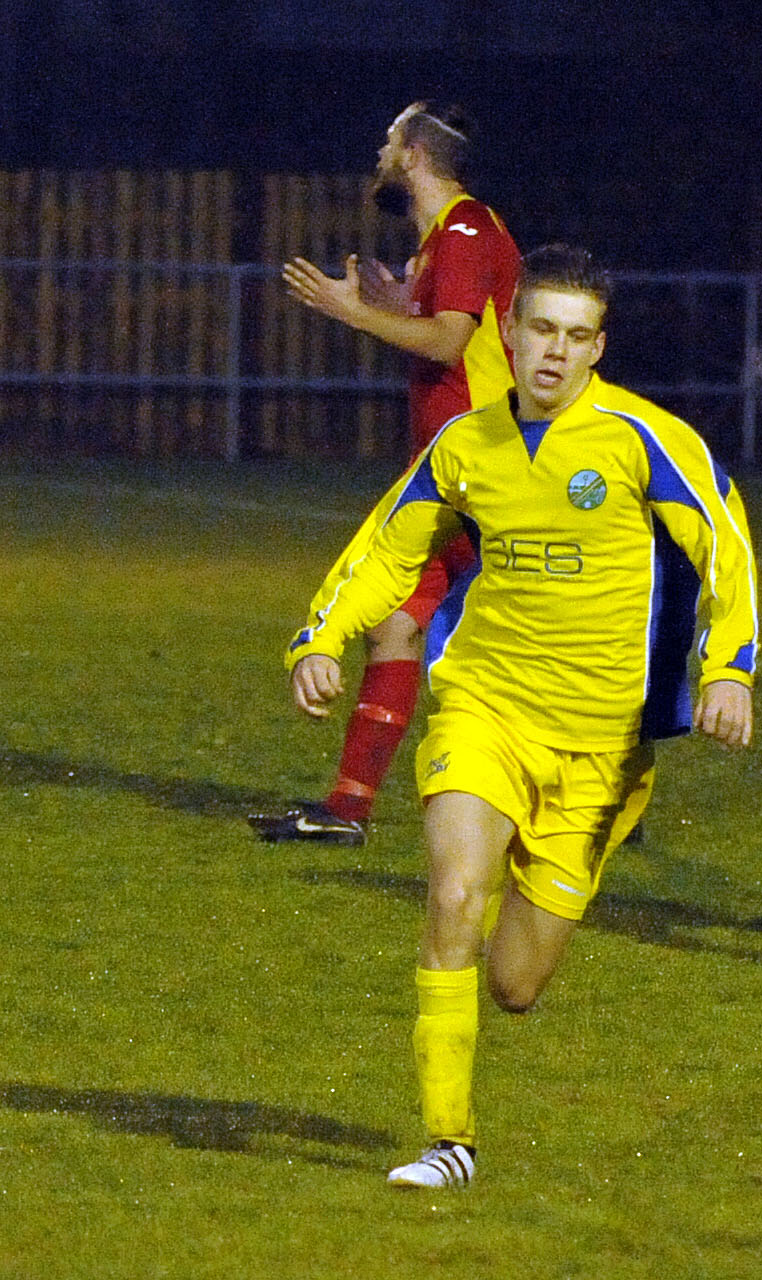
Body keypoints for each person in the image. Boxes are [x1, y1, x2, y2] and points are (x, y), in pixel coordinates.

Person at [282, 244, 758, 1189]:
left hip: (600, 748)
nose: (555, 352)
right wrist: (321, 637)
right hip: (485, 705)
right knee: (454, 894)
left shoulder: (643, 440)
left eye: (577, 337)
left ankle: (507, 917)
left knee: (516, 985)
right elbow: (388, 543)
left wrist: (731, 668)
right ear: (511, 331)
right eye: (541, 329)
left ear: (598, 349)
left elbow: (728, 545)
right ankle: (446, 1141)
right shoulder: (466, 445)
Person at [250, 101, 521, 845]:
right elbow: (464, 331)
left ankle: (595, 794)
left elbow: (448, 343)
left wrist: (353, 313)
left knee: (525, 652)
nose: (379, 151)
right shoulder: (449, 240)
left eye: (389, 140)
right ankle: (346, 811)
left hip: (485, 479)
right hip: (451, 474)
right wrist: (397, 300)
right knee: (396, 626)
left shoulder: (464, 232)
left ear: (414, 157)